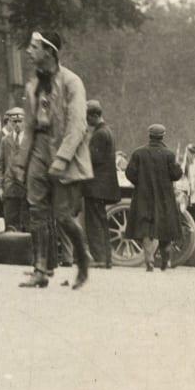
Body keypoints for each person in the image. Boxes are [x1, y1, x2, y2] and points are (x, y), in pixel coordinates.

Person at [17, 30, 91, 290]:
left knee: (63, 216)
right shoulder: (32, 86)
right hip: (38, 147)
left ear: (49, 52)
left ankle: (83, 263)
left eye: (34, 47)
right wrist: (19, 162)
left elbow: (78, 124)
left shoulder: (72, 82)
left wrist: (62, 158)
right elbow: (28, 126)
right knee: (36, 210)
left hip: (63, 151)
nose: (28, 51)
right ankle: (41, 270)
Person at [124, 123, 183, 270]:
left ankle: (149, 259)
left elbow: (129, 173)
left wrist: (140, 182)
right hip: (164, 196)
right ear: (163, 136)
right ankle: (166, 260)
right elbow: (176, 175)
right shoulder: (169, 154)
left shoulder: (138, 153)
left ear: (149, 135)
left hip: (143, 195)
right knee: (166, 226)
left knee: (146, 227)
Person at [81, 100, 118, 268]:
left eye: (88, 117)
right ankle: (106, 259)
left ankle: (99, 259)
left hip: (95, 187)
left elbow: (92, 159)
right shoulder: (106, 131)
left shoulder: (99, 134)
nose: (87, 121)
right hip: (102, 187)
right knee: (101, 223)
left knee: (94, 224)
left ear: (95, 116)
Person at [0, 106, 28, 228]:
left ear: (25, 122)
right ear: (10, 122)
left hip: (26, 188)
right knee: (10, 222)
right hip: (9, 188)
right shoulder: (5, 140)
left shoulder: (30, 140)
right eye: (14, 121)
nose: (17, 124)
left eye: (20, 121)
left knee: (26, 223)